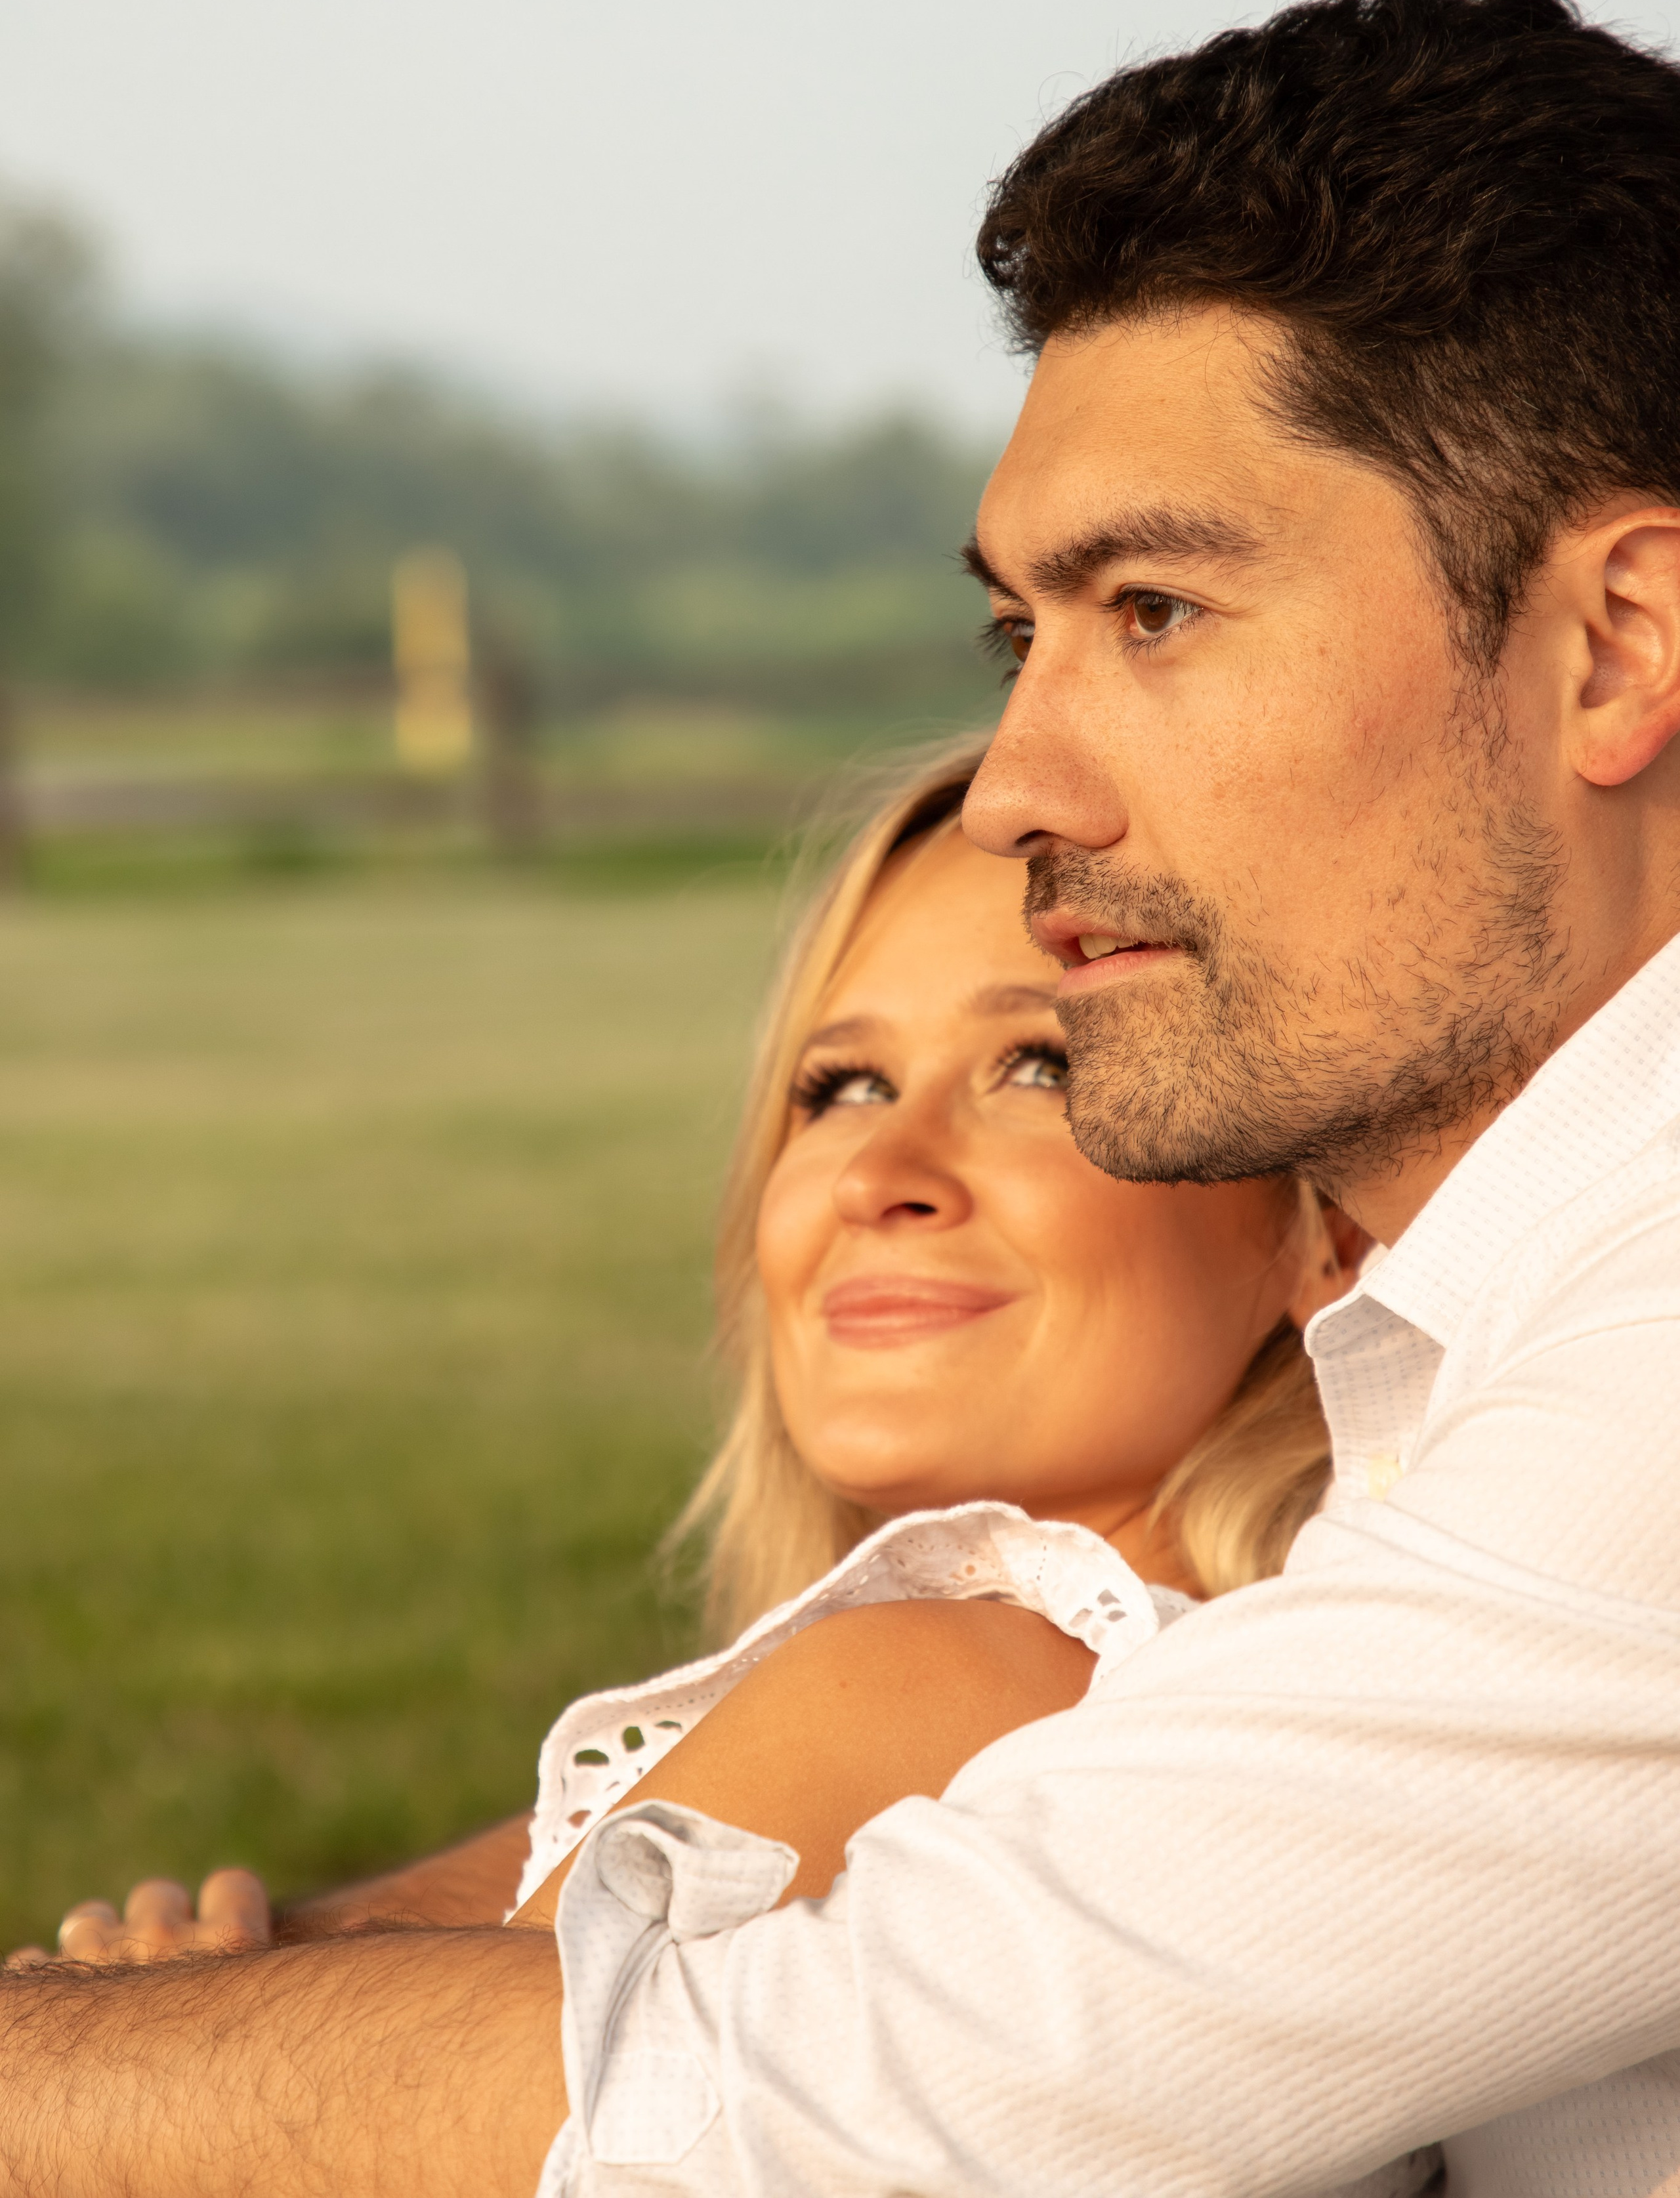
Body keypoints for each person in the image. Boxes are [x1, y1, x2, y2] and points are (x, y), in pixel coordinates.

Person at [10, 0, 1680, 2197]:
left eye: (1157, 612)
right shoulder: (1483, 1368)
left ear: (1620, 644)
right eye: (1024, 636)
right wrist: (282, 1964)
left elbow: (831, 2103)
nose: (1018, 785)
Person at [30, 743, 1356, 1948]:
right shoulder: (1247, 1688)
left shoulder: (956, 1687)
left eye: (1039, 1067)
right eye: (842, 1087)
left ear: (1319, 1226)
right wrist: (246, 1973)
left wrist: (156, 2046)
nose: (876, 1174)